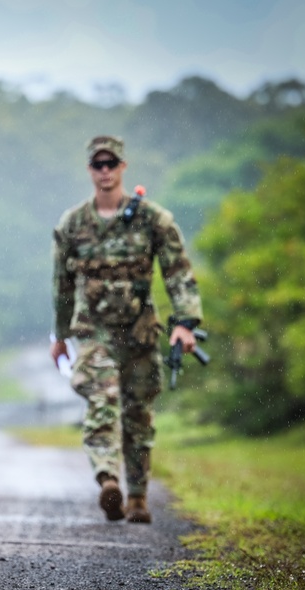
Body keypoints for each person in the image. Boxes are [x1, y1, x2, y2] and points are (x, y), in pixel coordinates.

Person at [49, 136, 202, 524]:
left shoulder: (154, 220)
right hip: (94, 332)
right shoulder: (73, 224)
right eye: (98, 164)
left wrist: (184, 324)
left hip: (139, 332)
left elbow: (178, 273)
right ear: (89, 169)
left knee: (138, 414)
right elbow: (62, 286)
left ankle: (137, 496)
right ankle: (107, 480)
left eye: (111, 163)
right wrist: (61, 336)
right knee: (102, 400)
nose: (104, 171)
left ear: (122, 166)